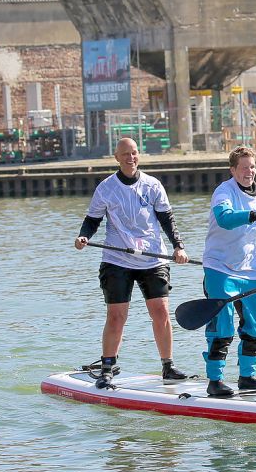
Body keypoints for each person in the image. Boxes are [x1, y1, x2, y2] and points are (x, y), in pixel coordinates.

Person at [75, 137, 190, 389]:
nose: (131, 158)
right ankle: (107, 368)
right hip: (117, 259)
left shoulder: (153, 185)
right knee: (117, 316)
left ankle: (168, 366)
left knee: (160, 311)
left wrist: (178, 246)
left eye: (135, 153)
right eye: (125, 154)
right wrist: (84, 236)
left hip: (152, 257)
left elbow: (167, 220)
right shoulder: (106, 188)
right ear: (116, 157)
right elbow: (92, 220)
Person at [201, 146, 256, 397]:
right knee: (222, 326)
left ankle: (247, 377)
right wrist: (252, 215)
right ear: (233, 170)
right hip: (219, 267)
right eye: (244, 167)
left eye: (253, 167)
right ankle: (215, 381)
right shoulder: (223, 192)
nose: (250, 172)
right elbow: (225, 219)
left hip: (249, 272)